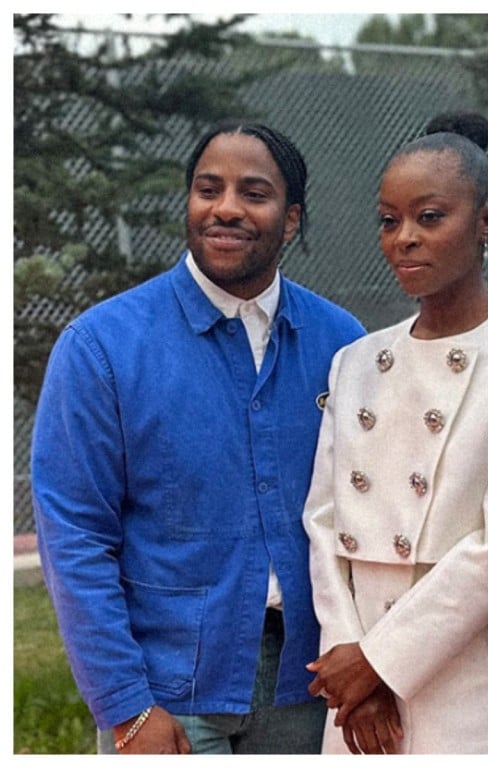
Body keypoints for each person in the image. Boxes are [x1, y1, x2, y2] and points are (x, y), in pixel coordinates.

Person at [31, 118, 365, 754]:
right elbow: (74, 537)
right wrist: (125, 706)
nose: (227, 209)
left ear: (291, 219)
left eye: (254, 193)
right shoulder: (102, 347)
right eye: (208, 189)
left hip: (309, 689)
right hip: (165, 696)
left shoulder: (339, 343)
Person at [302, 112, 488, 754]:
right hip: (353, 671)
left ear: (487, 222)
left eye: (429, 217)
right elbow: (323, 518)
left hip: (462, 669)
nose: (404, 239)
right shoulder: (356, 361)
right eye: (389, 221)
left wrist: (383, 660)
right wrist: (347, 655)